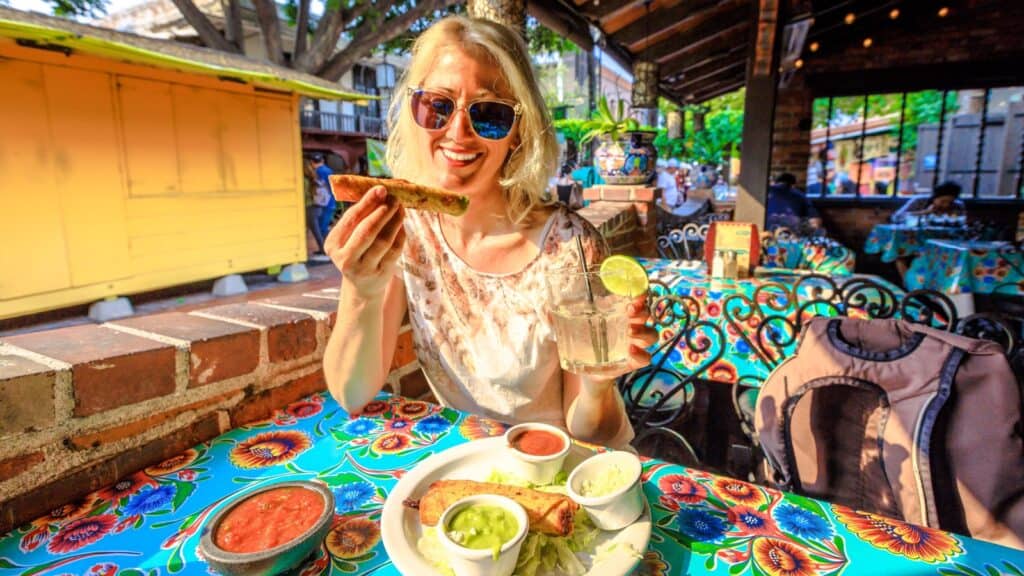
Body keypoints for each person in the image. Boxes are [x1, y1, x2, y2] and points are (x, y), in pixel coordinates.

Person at [321, 16, 656, 447]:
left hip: (561, 471)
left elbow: (595, 433)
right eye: (437, 105)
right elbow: (351, 393)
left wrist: (597, 385)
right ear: (412, 110)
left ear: (518, 132)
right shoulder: (409, 232)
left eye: (491, 114)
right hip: (466, 471)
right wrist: (361, 289)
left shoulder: (569, 247)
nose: (458, 132)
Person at [891, 180, 966, 224]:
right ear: (935, 198)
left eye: (950, 202)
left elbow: (962, 222)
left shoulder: (958, 205)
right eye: (943, 201)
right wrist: (924, 212)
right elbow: (896, 217)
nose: (946, 205)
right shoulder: (919, 201)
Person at [303, 159, 327, 258]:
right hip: (318, 206)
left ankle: (324, 250)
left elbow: (303, 195)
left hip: (310, 208)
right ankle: (321, 249)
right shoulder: (314, 177)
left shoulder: (304, 180)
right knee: (313, 230)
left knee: (315, 231)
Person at [312, 153, 336, 239]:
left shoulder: (317, 171)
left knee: (321, 227)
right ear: (322, 161)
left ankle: (326, 248)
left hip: (322, 203)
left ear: (312, 162)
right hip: (330, 202)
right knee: (324, 226)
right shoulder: (329, 170)